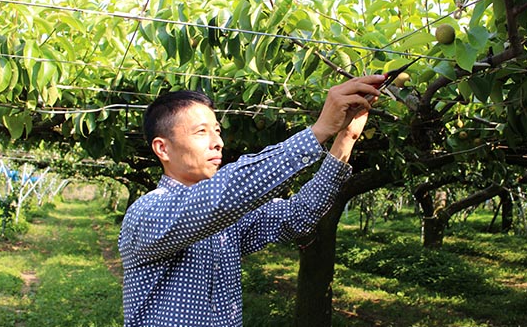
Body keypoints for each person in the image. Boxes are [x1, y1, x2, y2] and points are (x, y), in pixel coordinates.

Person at [118, 75, 385, 327]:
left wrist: (345, 139)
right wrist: (319, 131)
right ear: (162, 148)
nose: (218, 142)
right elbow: (218, 198)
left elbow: (297, 217)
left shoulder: (227, 222)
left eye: (217, 130)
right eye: (201, 132)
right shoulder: (146, 214)